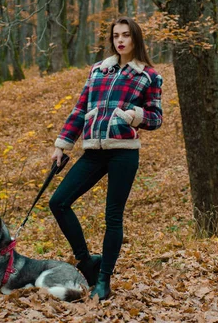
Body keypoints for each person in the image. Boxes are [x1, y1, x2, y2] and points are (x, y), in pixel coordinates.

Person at [49, 17, 163, 300]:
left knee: (112, 216)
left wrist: (134, 116)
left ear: (135, 38)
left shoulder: (148, 76)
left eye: (125, 35)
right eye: (116, 36)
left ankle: (104, 280)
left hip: (123, 153)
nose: (120, 40)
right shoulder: (98, 70)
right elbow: (79, 110)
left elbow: (156, 118)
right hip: (92, 151)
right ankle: (87, 263)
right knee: (58, 202)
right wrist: (62, 145)